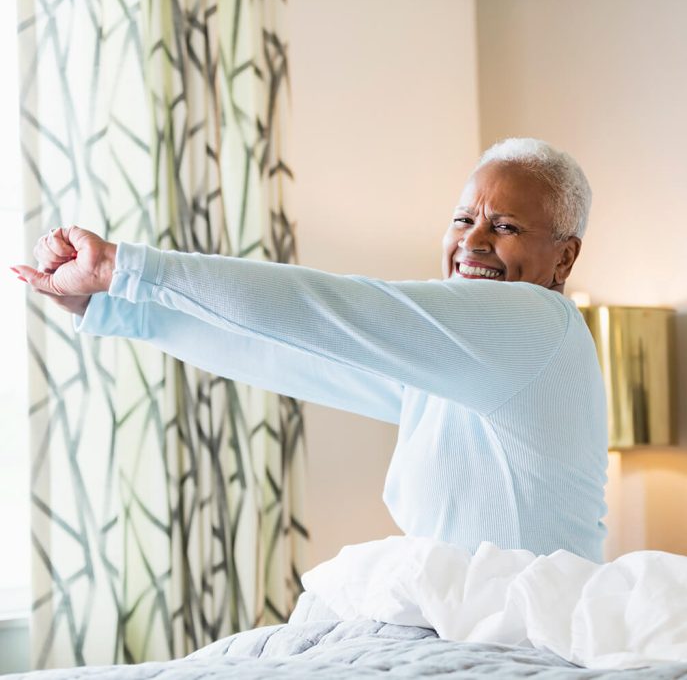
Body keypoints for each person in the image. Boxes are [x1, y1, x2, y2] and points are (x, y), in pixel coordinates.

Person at [12, 138, 609, 562]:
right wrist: (111, 305)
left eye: (504, 227)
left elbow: (324, 309)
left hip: (519, 628)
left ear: (564, 258)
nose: (471, 241)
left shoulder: (536, 320)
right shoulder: (466, 364)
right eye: (461, 220)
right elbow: (285, 351)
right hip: (465, 617)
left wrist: (125, 266)